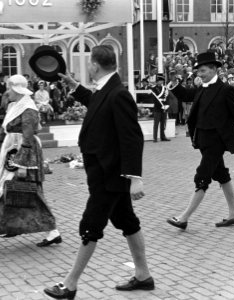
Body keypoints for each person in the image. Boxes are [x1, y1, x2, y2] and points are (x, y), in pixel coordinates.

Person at [44, 45, 153, 299]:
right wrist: (74, 85)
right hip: (104, 173)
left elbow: (132, 138)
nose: (88, 68)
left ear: (94, 65)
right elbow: (96, 103)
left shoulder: (118, 94)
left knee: (90, 225)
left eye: (89, 64)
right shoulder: (108, 90)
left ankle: (70, 284)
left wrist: (135, 178)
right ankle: (143, 276)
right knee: (127, 221)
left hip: (110, 175)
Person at [167, 52, 234, 231]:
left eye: (202, 71)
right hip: (202, 139)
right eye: (198, 72)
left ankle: (184, 218)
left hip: (217, 141)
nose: (199, 74)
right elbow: (186, 95)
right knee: (222, 175)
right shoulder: (202, 88)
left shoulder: (226, 90)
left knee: (202, 176)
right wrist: (174, 83)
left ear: (213, 69)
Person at [0, 74, 61, 252]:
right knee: (30, 196)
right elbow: (3, 132)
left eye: (9, 88)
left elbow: (27, 138)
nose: (6, 91)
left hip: (24, 157)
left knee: (9, 194)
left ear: (17, 90)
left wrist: (20, 165)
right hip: (13, 154)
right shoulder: (14, 106)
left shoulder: (29, 109)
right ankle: (53, 232)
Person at [151, 73, 171, 142]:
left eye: (162, 80)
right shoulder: (153, 88)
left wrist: (166, 105)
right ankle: (155, 138)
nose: (161, 81)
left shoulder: (165, 88)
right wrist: (161, 105)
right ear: (157, 81)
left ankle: (163, 137)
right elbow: (154, 99)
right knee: (156, 124)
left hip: (164, 107)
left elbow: (167, 97)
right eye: (160, 80)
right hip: (157, 107)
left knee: (163, 123)